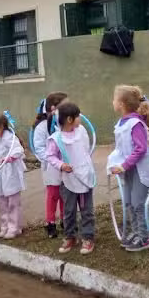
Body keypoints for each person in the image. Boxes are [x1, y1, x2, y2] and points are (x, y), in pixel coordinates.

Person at [108, 85, 149, 252]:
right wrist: (115, 163)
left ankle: (144, 237)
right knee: (129, 202)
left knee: (138, 203)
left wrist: (124, 165)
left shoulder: (135, 123)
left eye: (114, 99)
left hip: (140, 171)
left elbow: (140, 149)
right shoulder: (122, 122)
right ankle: (136, 232)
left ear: (122, 103)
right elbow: (122, 148)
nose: (113, 102)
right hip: (129, 170)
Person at [46, 102, 96, 255]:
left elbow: (85, 150)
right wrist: (61, 165)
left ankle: (88, 237)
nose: (80, 119)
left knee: (86, 209)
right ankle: (70, 236)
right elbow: (50, 156)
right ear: (69, 119)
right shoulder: (57, 139)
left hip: (84, 177)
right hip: (68, 180)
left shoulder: (81, 132)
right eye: (78, 116)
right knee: (69, 210)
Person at [31, 92, 69, 239]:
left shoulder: (64, 123)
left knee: (65, 195)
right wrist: (50, 160)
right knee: (53, 196)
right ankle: (50, 222)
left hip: (65, 166)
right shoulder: (41, 127)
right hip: (51, 168)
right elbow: (38, 147)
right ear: (54, 108)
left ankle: (66, 221)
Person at [0, 112, 25, 240]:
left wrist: (9, 158)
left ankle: (14, 227)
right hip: (1, 173)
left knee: (13, 202)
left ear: (1, 126)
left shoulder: (9, 137)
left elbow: (19, 150)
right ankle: (4, 226)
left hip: (10, 173)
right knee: (2, 201)